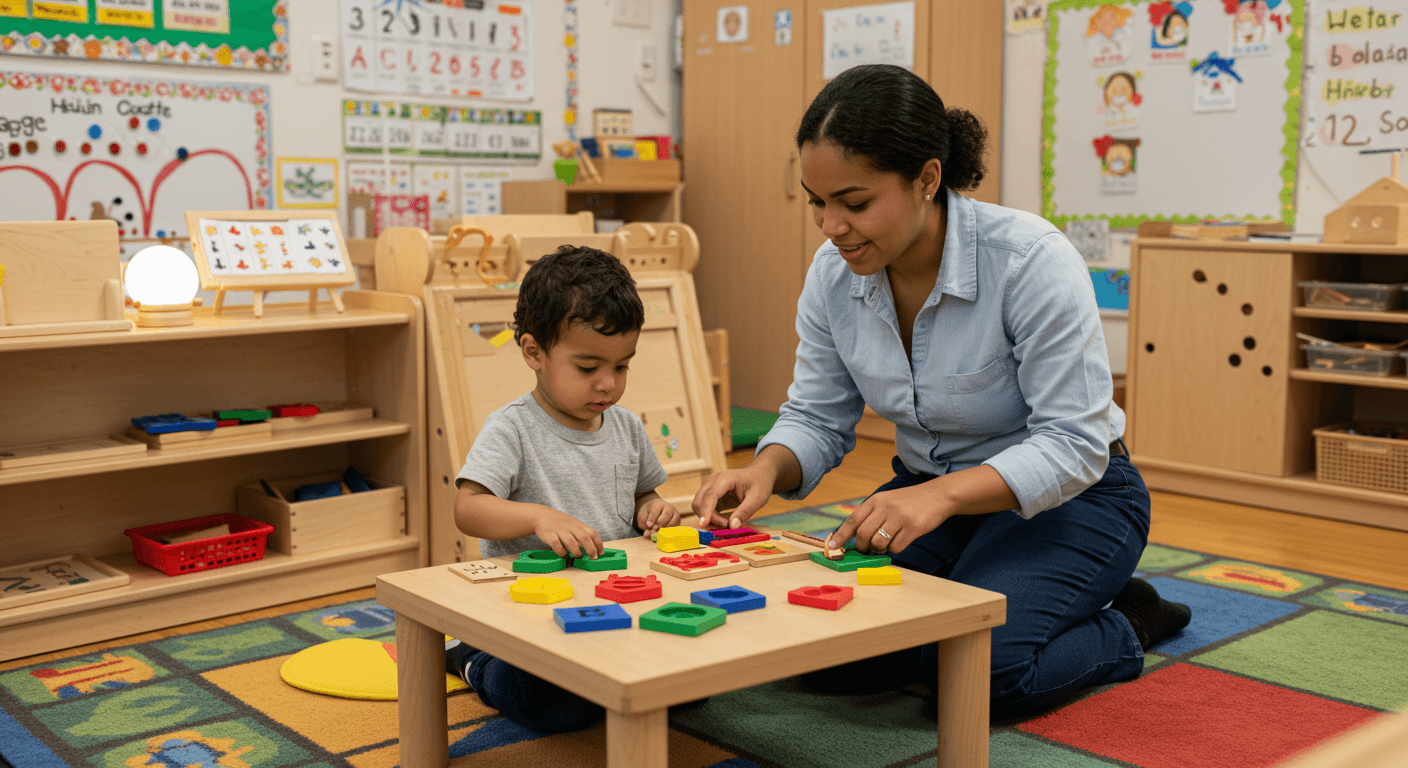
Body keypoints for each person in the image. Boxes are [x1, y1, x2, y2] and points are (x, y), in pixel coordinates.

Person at [692, 64, 1190, 718]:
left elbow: (1074, 443)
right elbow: (817, 413)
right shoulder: (832, 275)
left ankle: (1130, 618)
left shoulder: (1030, 260)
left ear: (927, 179)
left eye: (855, 202)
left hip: (1075, 499)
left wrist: (942, 494)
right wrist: (764, 470)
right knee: (827, 650)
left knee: (981, 676)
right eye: (818, 202)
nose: (830, 227)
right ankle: (996, 578)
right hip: (935, 498)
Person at [445, 244, 682, 732]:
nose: (608, 385)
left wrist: (653, 509)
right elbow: (468, 508)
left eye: (621, 367)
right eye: (587, 367)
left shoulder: (626, 427)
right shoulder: (512, 428)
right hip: (530, 611)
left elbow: (644, 495)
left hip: (615, 598)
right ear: (534, 352)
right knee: (555, 707)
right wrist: (537, 516)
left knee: (685, 688)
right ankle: (473, 658)